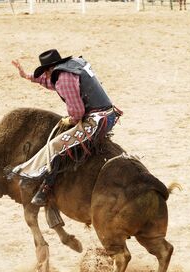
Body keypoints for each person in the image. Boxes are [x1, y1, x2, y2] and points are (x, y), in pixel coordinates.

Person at [11, 49, 122, 206]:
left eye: (45, 72)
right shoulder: (74, 65)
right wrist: (27, 76)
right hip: (108, 114)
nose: (46, 76)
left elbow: (78, 112)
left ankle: (46, 188)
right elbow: (52, 83)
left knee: (56, 145)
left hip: (96, 121)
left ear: (50, 69)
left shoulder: (63, 80)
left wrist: (70, 120)